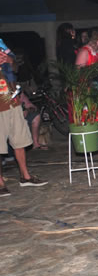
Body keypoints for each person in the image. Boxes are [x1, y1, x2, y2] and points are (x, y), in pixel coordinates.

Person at [0, 52, 48, 196]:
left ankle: (25, 177)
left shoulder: (2, 47)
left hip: (12, 100)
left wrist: (9, 60)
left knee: (19, 140)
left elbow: (15, 69)